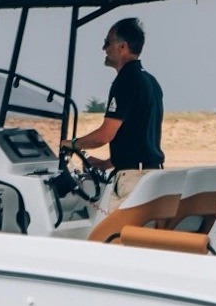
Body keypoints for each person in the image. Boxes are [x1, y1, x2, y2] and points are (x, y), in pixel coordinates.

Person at [68, 17, 163, 210]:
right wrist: (106, 164)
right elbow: (140, 138)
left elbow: (104, 135)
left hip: (133, 180)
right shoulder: (150, 81)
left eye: (107, 42)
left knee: (115, 229)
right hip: (153, 175)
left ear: (123, 47)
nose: (104, 48)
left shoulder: (126, 80)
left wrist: (72, 144)